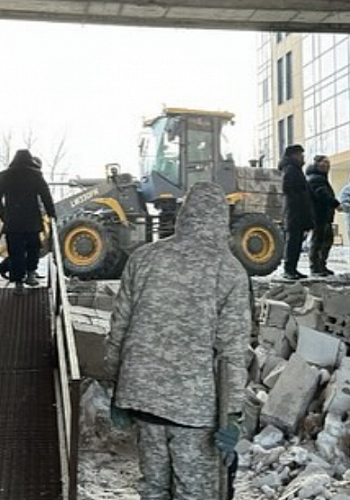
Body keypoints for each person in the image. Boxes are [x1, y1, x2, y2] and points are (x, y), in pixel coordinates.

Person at [104, 182, 250, 500]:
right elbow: (231, 352)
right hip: (194, 411)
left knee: (153, 488)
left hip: (141, 398)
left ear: (184, 216)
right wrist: (233, 415)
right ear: (221, 220)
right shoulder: (230, 272)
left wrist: (117, 388)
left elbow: (119, 330)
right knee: (194, 492)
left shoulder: (143, 258)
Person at [0, 149, 56, 295]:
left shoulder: (5, 175)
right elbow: (46, 196)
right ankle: (31, 275)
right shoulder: (35, 175)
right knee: (33, 248)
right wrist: (52, 214)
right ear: (30, 160)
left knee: (16, 252)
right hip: (32, 221)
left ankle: (18, 283)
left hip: (13, 221)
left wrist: (3, 214)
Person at [278, 144, 314, 280]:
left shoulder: (295, 169)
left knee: (297, 241)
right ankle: (289, 269)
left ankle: (293, 268)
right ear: (293, 156)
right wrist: (298, 200)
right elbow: (288, 189)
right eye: (300, 155)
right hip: (294, 211)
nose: (302, 157)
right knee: (293, 241)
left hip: (297, 210)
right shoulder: (291, 170)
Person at [305, 155, 341, 277]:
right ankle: (316, 266)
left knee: (325, 241)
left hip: (323, 215)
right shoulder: (316, 179)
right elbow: (322, 194)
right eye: (323, 163)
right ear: (316, 164)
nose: (326, 165)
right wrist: (335, 204)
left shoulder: (319, 178)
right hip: (319, 215)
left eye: (328, 163)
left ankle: (321, 265)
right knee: (319, 241)